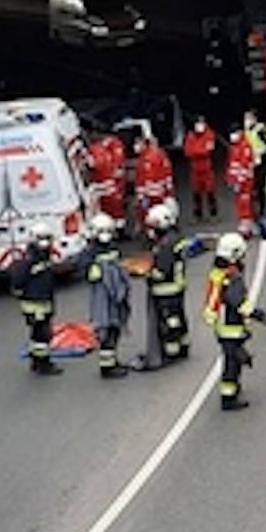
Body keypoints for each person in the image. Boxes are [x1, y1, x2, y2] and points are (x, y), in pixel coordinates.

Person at [211, 233, 266, 411]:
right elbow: (238, 302)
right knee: (232, 364)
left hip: (222, 326)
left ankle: (230, 391)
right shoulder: (233, 276)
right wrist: (259, 315)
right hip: (231, 327)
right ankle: (229, 398)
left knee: (232, 358)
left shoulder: (219, 272)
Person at [136, 203, 190, 370]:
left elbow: (162, 271)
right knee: (178, 318)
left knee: (169, 322)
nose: (151, 231)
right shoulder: (175, 239)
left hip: (166, 290)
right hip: (177, 287)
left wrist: (143, 273)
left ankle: (171, 353)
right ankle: (183, 346)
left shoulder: (165, 245)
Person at [12, 222, 61, 376]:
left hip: (43, 301)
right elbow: (18, 280)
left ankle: (36, 360)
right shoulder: (29, 259)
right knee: (42, 334)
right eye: (42, 238)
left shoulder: (44, 257)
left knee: (39, 333)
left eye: (47, 238)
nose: (45, 242)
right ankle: (42, 364)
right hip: (34, 304)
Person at [86, 214, 131, 379]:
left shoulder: (112, 248)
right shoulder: (91, 252)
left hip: (115, 298)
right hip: (103, 300)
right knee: (107, 331)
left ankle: (112, 362)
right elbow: (84, 269)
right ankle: (107, 367)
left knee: (115, 328)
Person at [183, 116, 219, 222]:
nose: (200, 126)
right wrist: (199, 150)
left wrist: (196, 151)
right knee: (196, 193)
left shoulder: (209, 134)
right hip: (195, 169)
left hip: (207, 168)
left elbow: (208, 150)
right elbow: (187, 151)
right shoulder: (190, 136)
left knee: (210, 192)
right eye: (198, 124)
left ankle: (213, 214)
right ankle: (198, 215)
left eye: (202, 124)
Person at [134, 134, 174, 230]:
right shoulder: (141, 159)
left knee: (159, 211)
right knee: (143, 210)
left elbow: (166, 172)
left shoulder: (157, 155)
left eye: (138, 143)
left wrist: (168, 188)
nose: (136, 146)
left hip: (156, 192)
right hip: (148, 193)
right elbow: (140, 178)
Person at [89, 133, 126, 226]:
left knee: (105, 209)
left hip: (102, 185)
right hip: (112, 184)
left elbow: (94, 165)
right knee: (116, 207)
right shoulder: (108, 149)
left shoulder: (96, 150)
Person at [225, 128, 257, 237]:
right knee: (240, 203)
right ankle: (246, 224)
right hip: (237, 182)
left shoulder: (245, 147)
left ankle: (247, 226)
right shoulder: (234, 147)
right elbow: (231, 165)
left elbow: (245, 167)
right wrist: (230, 179)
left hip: (245, 182)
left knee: (245, 203)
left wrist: (240, 181)